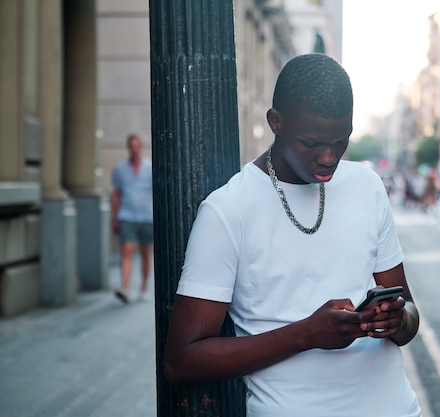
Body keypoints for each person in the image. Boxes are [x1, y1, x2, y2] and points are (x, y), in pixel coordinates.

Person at [164, 53, 422, 417]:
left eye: (341, 141)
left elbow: (409, 316)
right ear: (276, 123)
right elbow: (182, 361)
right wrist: (307, 334)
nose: (329, 157)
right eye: (312, 143)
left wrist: (396, 319)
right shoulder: (228, 210)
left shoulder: (367, 186)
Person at [111, 133, 154, 303]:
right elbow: (117, 194)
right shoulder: (120, 169)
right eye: (132, 147)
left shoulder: (150, 168)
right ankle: (126, 288)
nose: (135, 150)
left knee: (145, 252)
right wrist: (114, 218)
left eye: (138, 146)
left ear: (141, 147)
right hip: (126, 214)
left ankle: (143, 287)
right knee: (127, 250)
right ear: (128, 148)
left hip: (146, 216)